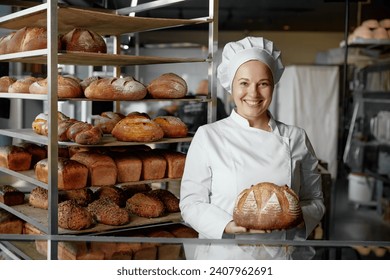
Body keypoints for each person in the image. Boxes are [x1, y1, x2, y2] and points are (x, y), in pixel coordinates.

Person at [179, 36, 325, 260]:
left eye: (263, 83)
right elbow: (191, 204)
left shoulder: (295, 137)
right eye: (244, 83)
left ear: (273, 85)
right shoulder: (209, 136)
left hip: (279, 256)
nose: (254, 93)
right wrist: (227, 225)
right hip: (224, 258)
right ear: (231, 86)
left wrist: (290, 217)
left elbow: (315, 200)